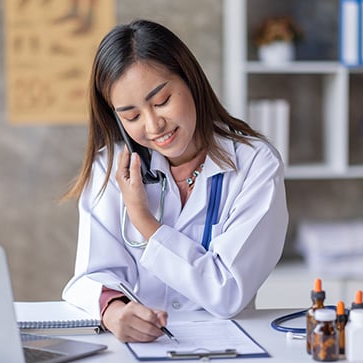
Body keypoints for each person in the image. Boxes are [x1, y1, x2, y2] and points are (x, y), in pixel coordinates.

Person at [62, 19, 288, 343]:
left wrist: (143, 220)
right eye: (132, 116)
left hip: (229, 352)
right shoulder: (111, 167)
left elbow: (227, 292)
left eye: (162, 101)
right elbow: (91, 276)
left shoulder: (255, 164)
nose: (153, 125)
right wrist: (114, 311)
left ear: (190, 80)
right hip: (139, 355)